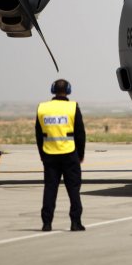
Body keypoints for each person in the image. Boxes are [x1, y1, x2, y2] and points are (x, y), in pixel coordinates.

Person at [35, 79, 86, 232]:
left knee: (50, 189)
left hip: (49, 154)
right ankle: (75, 223)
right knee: (73, 189)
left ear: (53, 90)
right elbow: (80, 134)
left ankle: (47, 223)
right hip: (69, 154)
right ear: (68, 90)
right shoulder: (72, 107)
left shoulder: (42, 108)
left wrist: (42, 154)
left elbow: (38, 134)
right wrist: (80, 154)